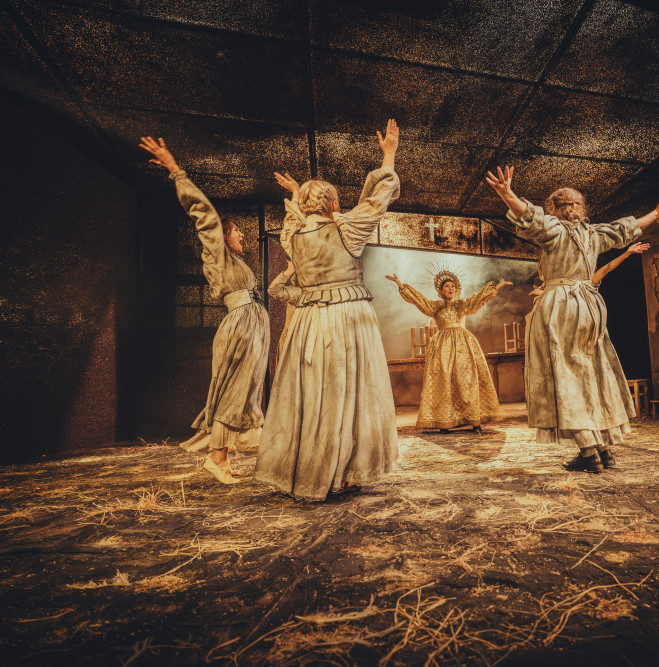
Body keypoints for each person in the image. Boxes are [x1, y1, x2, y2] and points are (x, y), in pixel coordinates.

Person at [485, 166, 659, 473]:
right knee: (590, 371)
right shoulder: (594, 234)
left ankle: (588, 449)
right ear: (580, 208)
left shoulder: (556, 230)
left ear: (554, 209)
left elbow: (530, 216)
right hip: (589, 305)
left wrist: (507, 193)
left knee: (563, 374)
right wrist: (657, 212)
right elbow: (625, 229)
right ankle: (603, 448)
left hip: (561, 305)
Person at [254, 119, 401, 501]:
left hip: (308, 322)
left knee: (312, 394)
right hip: (346, 318)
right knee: (348, 392)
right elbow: (377, 199)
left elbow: (296, 218)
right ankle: (342, 471)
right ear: (333, 202)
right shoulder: (346, 228)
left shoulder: (292, 234)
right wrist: (388, 155)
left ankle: (310, 472)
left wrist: (297, 193)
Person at [139, 136, 269, 484]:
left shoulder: (237, 264)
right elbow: (205, 216)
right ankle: (216, 458)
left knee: (245, 390)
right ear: (222, 236)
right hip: (240, 327)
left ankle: (222, 459)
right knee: (232, 389)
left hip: (252, 327)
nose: (242, 235)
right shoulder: (217, 254)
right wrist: (174, 169)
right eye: (237, 231)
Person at [385, 270, 512, 433]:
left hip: (463, 345)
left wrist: (498, 286)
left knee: (466, 381)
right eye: (447, 286)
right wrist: (400, 284)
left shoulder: (463, 305)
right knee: (444, 382)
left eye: (452, 286)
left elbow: (480, 298)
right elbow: (418, 300)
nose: (450, 288)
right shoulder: (435, 306)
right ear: (441, 291)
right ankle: (444, 421)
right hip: (443, 347)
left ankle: (474, 419)